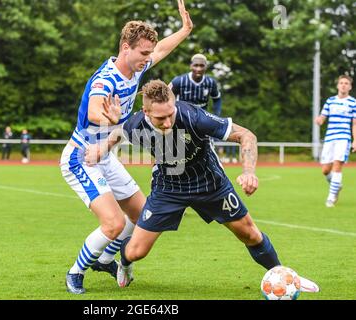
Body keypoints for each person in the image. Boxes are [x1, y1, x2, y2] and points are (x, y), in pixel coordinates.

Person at [85, 79, 319, 293]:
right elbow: (118, 132)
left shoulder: (194, 117)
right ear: (146, 112)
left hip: (210, 184)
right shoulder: (136, 124)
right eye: (160, 118)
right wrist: (101, 148)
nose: (167, 122)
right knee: (137, 251)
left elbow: (246, 135)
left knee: (250, 233)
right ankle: (124, 264)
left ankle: (285, 277)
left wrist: (248, 172)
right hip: (168, 189)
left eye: (170, 114)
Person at [61, 0, 193, 294]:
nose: (148, 58)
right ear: (125, 47)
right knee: (113, 224)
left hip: (105, 154)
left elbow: (161, 50)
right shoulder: (106, 79)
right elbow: (96, 106)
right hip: (82, 157)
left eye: (148, 53)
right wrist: (104, 116)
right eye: (143, 53)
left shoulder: (135, 68)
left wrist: (184, 30)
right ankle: (75, 273)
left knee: (142, 215)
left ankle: (106, 259)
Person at [315, 75, 356, 207]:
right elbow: (322, 117)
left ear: (350, 87)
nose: (343, 85)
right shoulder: (330, 101)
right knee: (326, 170)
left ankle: (331, 198)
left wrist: (355, 140)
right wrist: (319, 120)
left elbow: (355, 124)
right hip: (330, 138)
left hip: (343, 138)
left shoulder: (353, 103)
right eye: (341, 83)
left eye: (346, 83)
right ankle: (336, 185)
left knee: (337, 165)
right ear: (338, 85)